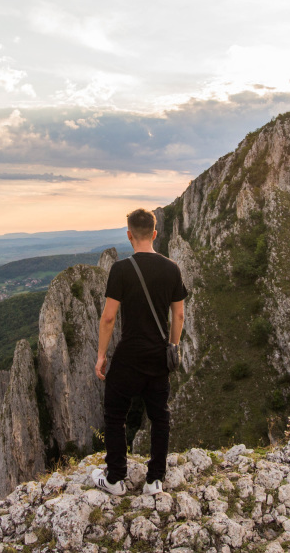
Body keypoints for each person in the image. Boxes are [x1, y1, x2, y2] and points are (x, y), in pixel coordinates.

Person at [91, 208, 187, 496]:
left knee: (115, 414)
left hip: (129, 355)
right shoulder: (172, 269)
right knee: (160, 416)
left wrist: (101, 355)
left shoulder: (121, 270)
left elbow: (109, 318)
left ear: (129, 235)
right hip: (158, 355)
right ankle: (155, 480)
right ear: (155, 234)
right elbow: (179, 315)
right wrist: (173, 346)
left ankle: (115, 478)